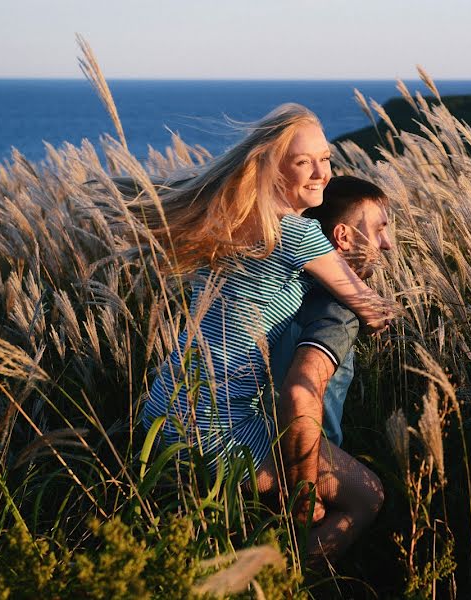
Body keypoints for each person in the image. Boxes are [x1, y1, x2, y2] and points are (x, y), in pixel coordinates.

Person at [122, 104, 394, 550]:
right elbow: (371, 309)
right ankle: (292, 584)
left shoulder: (229, 219)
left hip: (164, 412)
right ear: (271, 165)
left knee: (213, 541)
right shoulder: (298, 235)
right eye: (303, 162)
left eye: (325, 159)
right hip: (217, 428)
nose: (321, 173)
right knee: (367, 497)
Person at [264, 176, 393, 561]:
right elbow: (301, 392)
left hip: (236, 436)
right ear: (343, 237)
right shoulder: (338, 311)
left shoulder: (281, 287)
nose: (386, 243)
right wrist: (303, 490)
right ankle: (291, 585)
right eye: (380, 229)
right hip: (291, 451)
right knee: (367, 498)